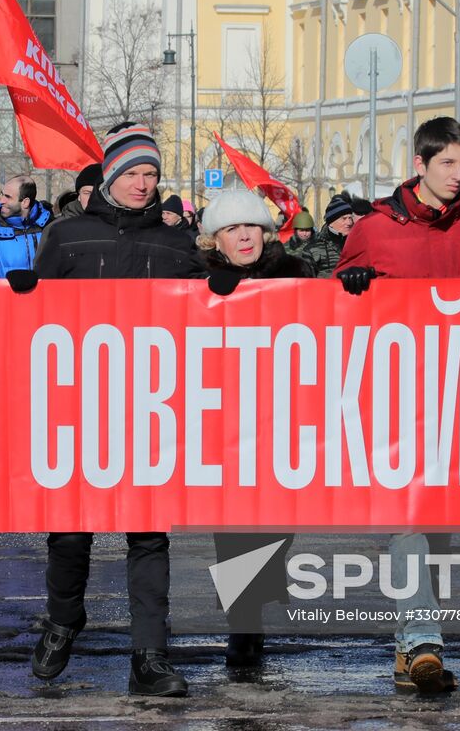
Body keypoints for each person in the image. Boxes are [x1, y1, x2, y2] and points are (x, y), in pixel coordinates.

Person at [335, 116, 460, 694]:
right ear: (419, 165)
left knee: (439, 527)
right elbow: (328, 307)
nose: (459, 175)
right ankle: (423, 640)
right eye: (448, 164)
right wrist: (350, 282)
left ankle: (409, 647)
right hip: (394, 396)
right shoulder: (374, 228)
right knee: (409, 517)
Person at [29, 122, 203, 697]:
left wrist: (225, 284)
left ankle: (148, 657)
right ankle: (62, 618)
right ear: (110, 175)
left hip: (153, 405)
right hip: (79, 402)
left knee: (149, 534)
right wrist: (21, 294)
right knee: (71, 531)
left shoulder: (178, 243)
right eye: (133, 172)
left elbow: (208, 316)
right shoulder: (67, 235)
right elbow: (33, 320)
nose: (143, 183)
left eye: (152, 174)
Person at [197, 189, 311, 668]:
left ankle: (257, 600)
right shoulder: (199, 280)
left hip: (284, 412)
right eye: (232, 229)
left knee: (278, 522)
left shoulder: (295, 272)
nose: (244, 237)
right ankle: (243, 625)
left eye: (252, 228)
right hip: (225, 413)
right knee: (234, 526)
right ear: (215, 240)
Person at [0, 174, 51, 278]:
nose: (1, 200)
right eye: (2, 194)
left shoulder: (50, 227)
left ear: (25, 202)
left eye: (8, 197)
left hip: (44, 293)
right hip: (3, 294)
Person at [297, 192, 368, 278]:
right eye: (344, 219)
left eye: (350, 218)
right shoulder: (312, 250)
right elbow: (305, 281)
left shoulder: (360, 245)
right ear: (331, 223)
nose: (349, 222)